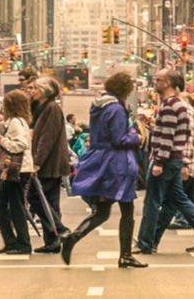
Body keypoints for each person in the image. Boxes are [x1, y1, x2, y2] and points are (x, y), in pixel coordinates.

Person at [60, 72, 147, 267]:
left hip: (104, 160)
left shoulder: (100, 106)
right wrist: (137, 137)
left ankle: (73, 238)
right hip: (118, 163)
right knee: (126, 208)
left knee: (103, 211)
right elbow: (118, 139)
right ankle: (125, 255)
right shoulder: (116, 109)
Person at [138, 69, 194, 255]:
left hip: (169, 160)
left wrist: (159, 161)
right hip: (176, 159)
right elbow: (180, 134)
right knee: (179, 199)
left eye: (159, 79)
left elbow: (169, 137)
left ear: (168, 83)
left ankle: (145, 243)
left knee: (152, 201)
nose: (156, 82)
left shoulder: (170, 105)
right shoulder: (178, 105)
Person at [0, 89, 35, 255]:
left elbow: (20, 144)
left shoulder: (16, 122)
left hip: (17, 169)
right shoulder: (21, 121)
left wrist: (3, 141)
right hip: (20, 169)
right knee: (6, 204)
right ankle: (12, 242)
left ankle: (22, 243)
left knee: (11, 205)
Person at [30, 77, 69, 251]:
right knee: (50, 202)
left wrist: (37, 162)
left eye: (36, 88)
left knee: (36, 198)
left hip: (50, 164)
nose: (33, 91)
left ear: (45, 90)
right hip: (50, 163)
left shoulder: (52, 108)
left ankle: (60, 230)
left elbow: (47, 138)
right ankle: (53, 242)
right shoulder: (46, 107)